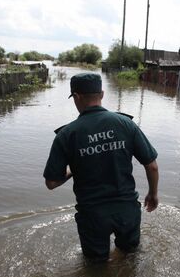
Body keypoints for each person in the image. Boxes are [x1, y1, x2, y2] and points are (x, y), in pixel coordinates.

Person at [43, 73, 159, 263]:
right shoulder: (126, 124)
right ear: (102, 94)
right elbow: (152, 166)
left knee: (95, 268)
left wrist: (73, 170)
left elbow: (52, 182)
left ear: (77, 97)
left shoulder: (66, 135)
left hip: (92, 215)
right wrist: (153, 194)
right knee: (130, 259)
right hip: (127, 210)